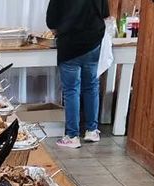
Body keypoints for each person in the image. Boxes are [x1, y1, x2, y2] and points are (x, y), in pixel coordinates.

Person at [47, 0, 109, 148]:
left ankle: (73, 136)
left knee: (71, 90)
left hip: (70, 44)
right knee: (92, 86)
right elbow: (105, 14)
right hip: (93, 41)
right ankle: (92, 131)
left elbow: (51, 22)